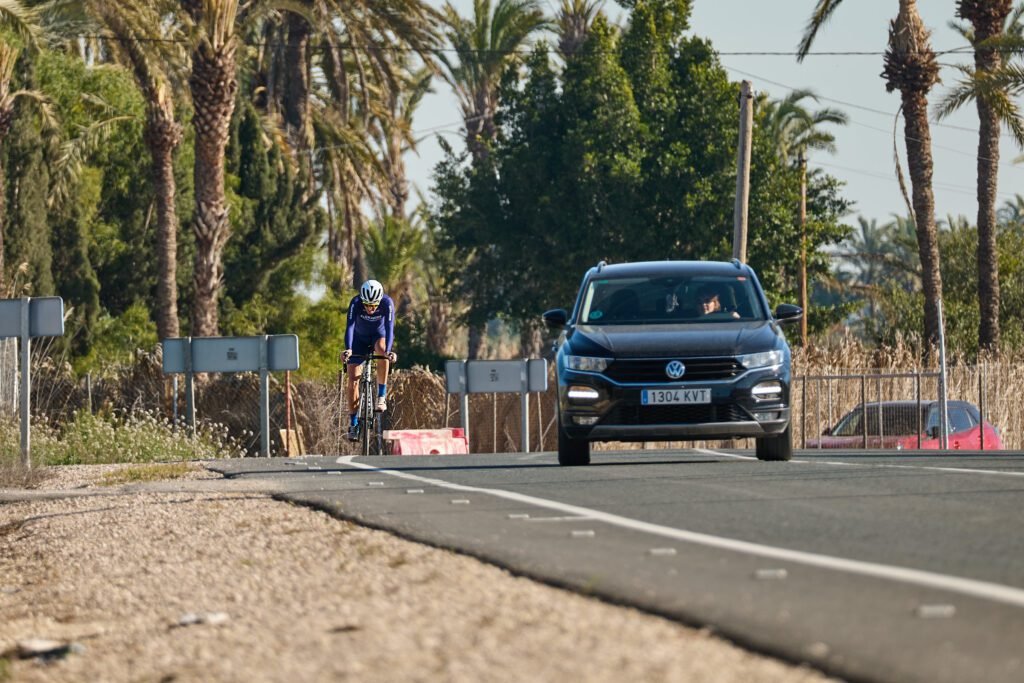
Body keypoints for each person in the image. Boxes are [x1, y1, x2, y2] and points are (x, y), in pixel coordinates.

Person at [342, 279, 397, 441]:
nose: (370, 309)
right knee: (352, 380)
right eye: (367, 305)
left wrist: (388, 351)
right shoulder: (355, 302)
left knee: (381, 349)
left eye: (373, 305)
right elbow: (350, 327)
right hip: (359, 339)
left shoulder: (387, 303)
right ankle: (353, 424)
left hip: (378, 336)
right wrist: (348, 349)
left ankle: (381, 396)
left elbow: (389, 328)